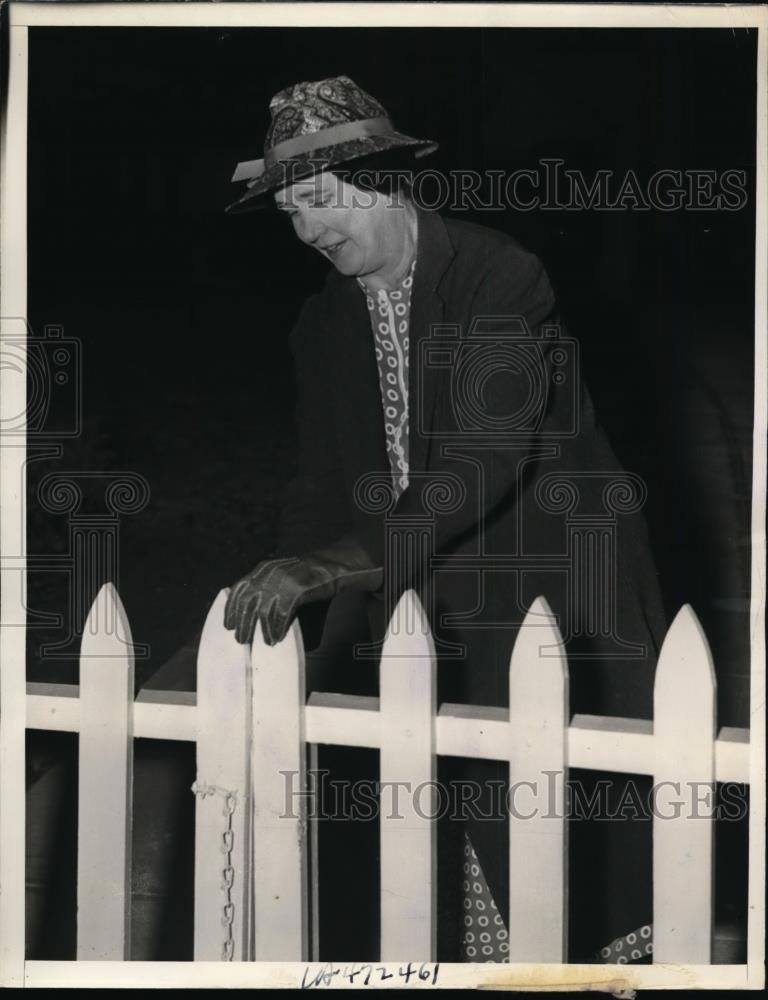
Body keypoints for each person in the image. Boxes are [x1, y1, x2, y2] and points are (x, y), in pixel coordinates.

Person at [223, 75, 667, 963]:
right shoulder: (321, 325)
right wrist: (291, 602)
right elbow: (320, 485)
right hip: (417, 600)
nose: (307, 230)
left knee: (564, 864)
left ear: (385, 179)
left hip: (549, 594)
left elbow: (483, 459)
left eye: (318, 200)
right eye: (289, 212)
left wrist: (342, 564)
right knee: (432, 860)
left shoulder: (500, 276)